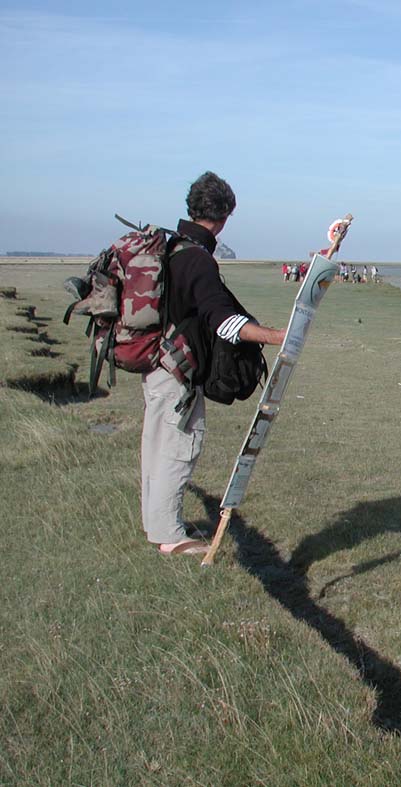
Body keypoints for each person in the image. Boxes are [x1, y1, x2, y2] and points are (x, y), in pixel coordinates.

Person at [141, 172, 285, 556]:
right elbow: (224, 323)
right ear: (223, 216)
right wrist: (278, 336)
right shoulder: (198, 260)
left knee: (156, 445)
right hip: (177, 371)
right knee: (178, 447)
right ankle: (169, 537)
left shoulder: (172, 246)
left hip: (157, 365)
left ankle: (157, 525)